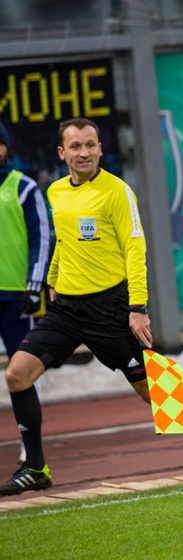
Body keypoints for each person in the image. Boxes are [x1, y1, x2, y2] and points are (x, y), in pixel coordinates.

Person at [0, 118, 183, 497]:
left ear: (101, 149)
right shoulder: (55, 192)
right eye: (75, 146)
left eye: (90, 144)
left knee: (151, 388)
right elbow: (63, 243)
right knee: (17, 375)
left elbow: (135, 250)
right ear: (62, 153)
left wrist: (137, 306)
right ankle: (36, 467)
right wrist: (54, 278)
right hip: (66, 311)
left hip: (111, 310)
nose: (83, 152)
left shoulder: (117, 192)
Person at [0, 122, 52, 464]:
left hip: (15, 296)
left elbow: (42, 239)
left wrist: (35, 287)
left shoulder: (24, 187)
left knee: (22, 370)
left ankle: (28, 444)